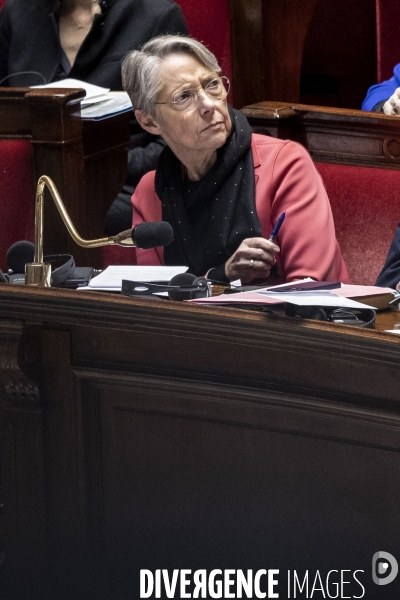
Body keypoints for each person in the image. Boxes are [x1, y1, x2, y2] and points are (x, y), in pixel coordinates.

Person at [121, 35, 349, 285]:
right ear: (149, 121)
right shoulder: (149, 192)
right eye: (184, 97)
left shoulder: (285, 164)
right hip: (192, 325)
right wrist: (221, 277)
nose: (209, 104)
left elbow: (310, 287)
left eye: (212, 85)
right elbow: (157, 299)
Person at [0, 0, 188, 234]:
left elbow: (181, 132)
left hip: (123, 181)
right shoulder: (17, 13)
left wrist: (109, 165)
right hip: (32, 178)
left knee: (66, 215)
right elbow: (6, 115)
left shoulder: (156, 15)